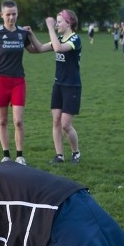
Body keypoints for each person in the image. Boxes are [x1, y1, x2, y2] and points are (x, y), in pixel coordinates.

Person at [0, 0, 40, 165]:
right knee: (2, 120)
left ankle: (19, 155)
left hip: (18, 80)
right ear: (2, 15)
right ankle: (6, 154)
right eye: (8, 14)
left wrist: (33, 36)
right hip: (1, 80)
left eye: (14, 14)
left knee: (18, 121)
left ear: (17, 14)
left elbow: (33, 50)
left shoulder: (22, 33)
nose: (12, 17)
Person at [29, 10, 83, 165]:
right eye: (56, 21)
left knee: (66, 124)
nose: (57, 24)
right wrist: (31, 34)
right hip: (58, 84)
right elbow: (39, 48)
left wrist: (50, 28)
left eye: (60, 21)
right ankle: (59, 155)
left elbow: (59, 48)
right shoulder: (58, 38)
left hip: (72, 86)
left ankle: (76, 152)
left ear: (69, 23)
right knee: (56, 122)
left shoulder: (75, 39)